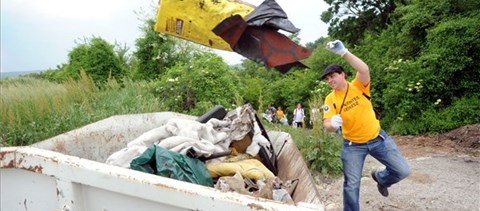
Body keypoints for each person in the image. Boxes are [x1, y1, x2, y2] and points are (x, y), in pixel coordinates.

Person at [321, 40, 410, 211]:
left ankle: (381, 178)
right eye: (327, 79)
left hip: (378, 139)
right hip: (352, 146)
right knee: (351, 185)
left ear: (342, 75)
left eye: (332, 76)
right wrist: (332, 124)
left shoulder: (359, 86)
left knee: (403, 171)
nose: (329, 80)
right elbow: (327, 124)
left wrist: (344, 52)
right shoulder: (329, 99)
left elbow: (364, 69)